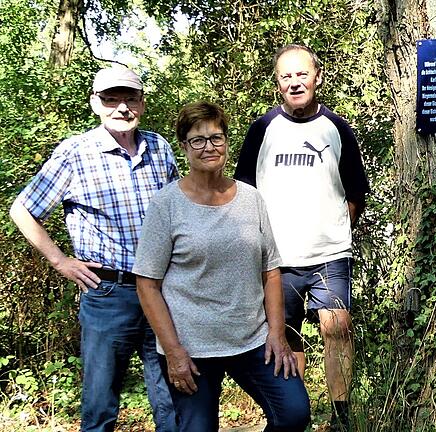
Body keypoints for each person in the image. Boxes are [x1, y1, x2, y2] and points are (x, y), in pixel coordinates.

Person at [9, 66, 178, 431]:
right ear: (95, 104)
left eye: (130, 98)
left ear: (142, 103)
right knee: (100, 404)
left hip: (162, 291)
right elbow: (22, 209)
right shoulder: (76, 152)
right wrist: (60, 261)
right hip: (107, 294)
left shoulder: (160, 148)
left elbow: (178, 213)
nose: (122, 108)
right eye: (111, 99)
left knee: (172, 398)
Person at [133, 101, 311, 432]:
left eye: (216, 137)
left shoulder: (250, 198)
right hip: (191, 347)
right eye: (197, 139)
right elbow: (148, 285)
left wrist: (276, 333)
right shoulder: (166, 204)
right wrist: (173, 352)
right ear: (184, 146)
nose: (209, 147)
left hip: (251, 339)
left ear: (227, 141)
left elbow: (270, 271)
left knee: (294, 413)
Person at [234, 44, 369, 431]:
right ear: (278, 83)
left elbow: (355, 191)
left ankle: (341, 419)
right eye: (286, 76)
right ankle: (295, 416)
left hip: (329, 254)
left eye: (301, 74)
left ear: (317, 77)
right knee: (286, 337)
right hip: (278, 259)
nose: (295, 82)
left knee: (337, 329)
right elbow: (244, 192)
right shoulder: (263, 129)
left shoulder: (336, 127)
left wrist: (333, 231)